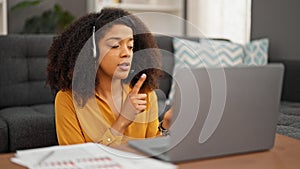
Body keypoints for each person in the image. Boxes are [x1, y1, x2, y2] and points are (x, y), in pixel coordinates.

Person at [46, 7, 171, 146]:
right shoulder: (68, 100)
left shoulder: (145, 93)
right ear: (92, 51)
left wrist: (166, 124)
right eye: (115, 45)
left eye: (130, 46)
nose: (127, 53)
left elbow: (153, 150)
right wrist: (122, 121)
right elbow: (77, 159)